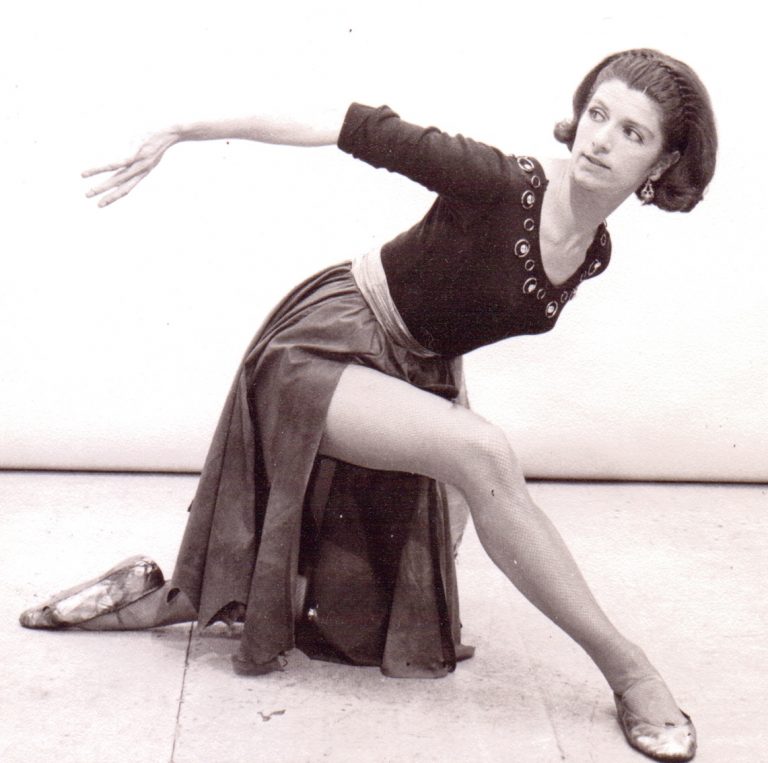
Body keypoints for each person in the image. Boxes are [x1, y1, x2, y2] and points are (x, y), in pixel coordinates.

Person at [20, 48, 717, 762]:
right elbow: (344, 122)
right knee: (485, 453)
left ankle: (144, 592)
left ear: (663, 162)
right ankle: (631, 672)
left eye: (632, 132)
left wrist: (443, 438)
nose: (601, 140)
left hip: (406, 372)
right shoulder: (501, 182)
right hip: (324, 348)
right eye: (597, 113)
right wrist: (182, 127)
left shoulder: (593, 251)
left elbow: (455, 312)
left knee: (347, 609)